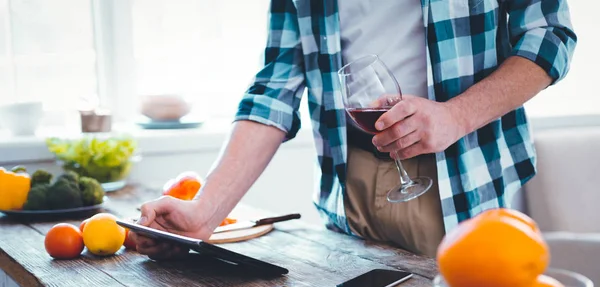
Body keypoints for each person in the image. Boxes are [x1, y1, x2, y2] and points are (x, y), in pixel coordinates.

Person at [132, 0, 576, 259]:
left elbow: (549, 35)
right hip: (349, 182)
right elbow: (275, 87)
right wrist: (205, 213)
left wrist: (454, 116)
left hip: (463, 174)